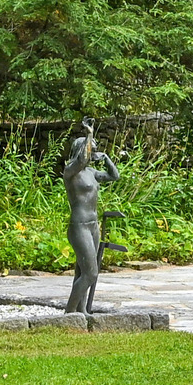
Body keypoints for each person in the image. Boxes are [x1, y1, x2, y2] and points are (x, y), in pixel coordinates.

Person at [58, 120, 113, 318]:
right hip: (79, 226)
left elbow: (114, 176)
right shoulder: (71, 171)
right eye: (91, 149)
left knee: (81, 272)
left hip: (92, 225)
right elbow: (81, 160)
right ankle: (69, 312)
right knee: (91, 273)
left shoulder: (91, 173)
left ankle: (80, 310)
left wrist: (106, 158)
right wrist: (89, 134)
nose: (92, 154)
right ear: (82, 149)